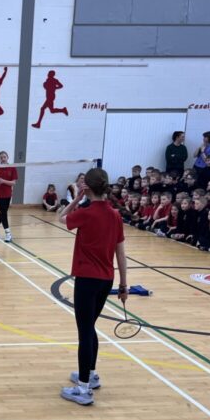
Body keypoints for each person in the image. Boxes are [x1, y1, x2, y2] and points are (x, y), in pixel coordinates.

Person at [57, 167, 129, 406]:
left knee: (85, 331)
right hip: (106, 280)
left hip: (87, 280)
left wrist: (76, 198)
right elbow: (121, 253)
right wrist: (124, 285)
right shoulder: (115, 215)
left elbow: (61, 218)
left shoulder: (85, 213)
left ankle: (83, 388)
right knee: (90, 327)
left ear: (86, 187)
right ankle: (91, 374)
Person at [0, 151, 18, 242]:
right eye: (1, 157)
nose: (3, 159)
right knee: (3, 213)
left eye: (4, 157)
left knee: (3, 212)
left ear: (7, 157)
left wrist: (3, 181)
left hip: (8, 194)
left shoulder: (12, 168)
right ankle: (8, 233)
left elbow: (13, 183)